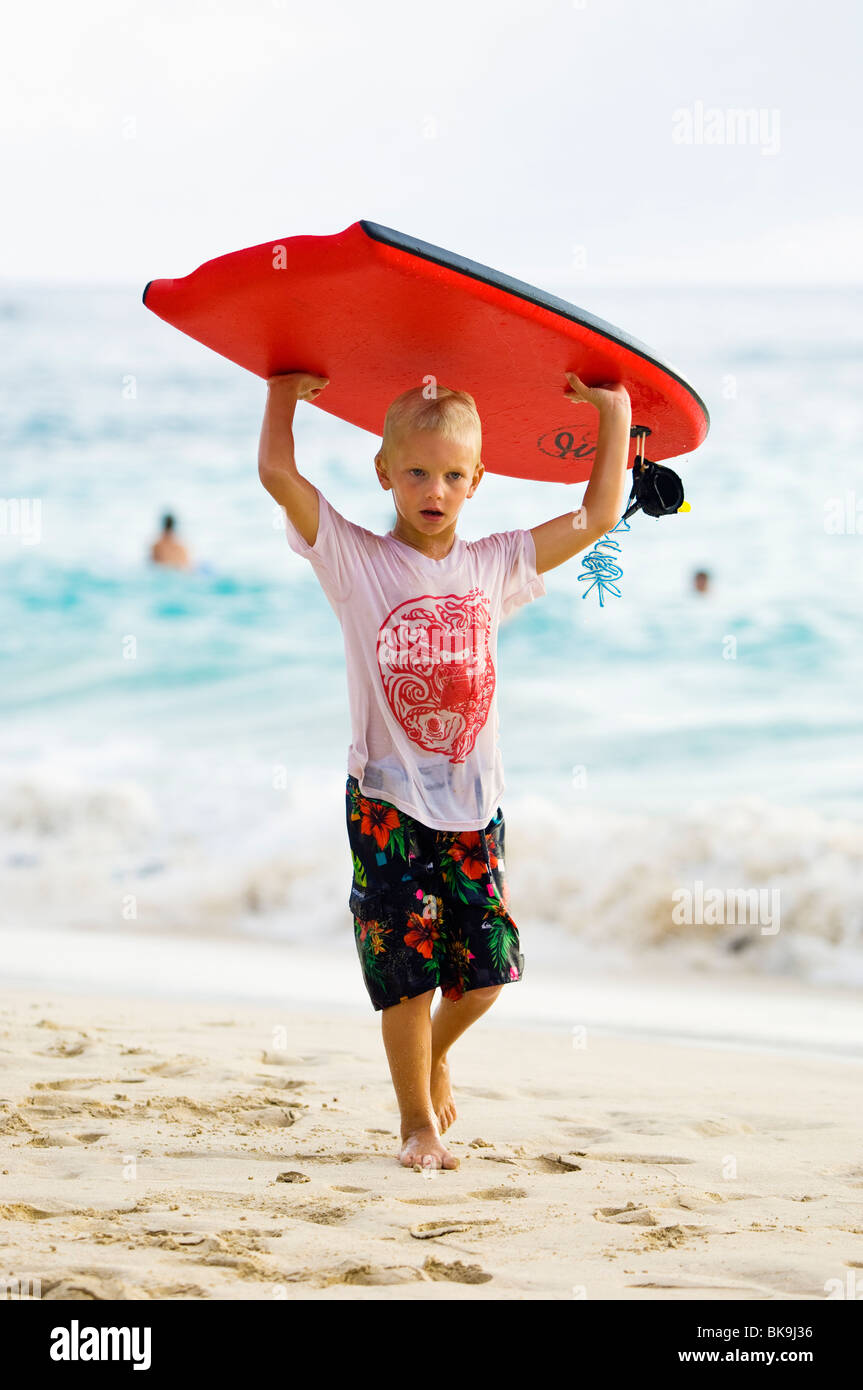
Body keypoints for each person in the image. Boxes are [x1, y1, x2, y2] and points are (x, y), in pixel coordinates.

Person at [258, 369, 631, 1170]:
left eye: (454, 475)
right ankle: (414, 1126)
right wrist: (284, 394)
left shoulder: (496, 564)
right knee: (407, 975)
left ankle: (431, 1052)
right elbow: (279, 476)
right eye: (418, 471)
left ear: (477, 481)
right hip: (387, 800)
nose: (435, 489)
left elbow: (600, 514)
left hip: (473, 803)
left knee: (489, 973)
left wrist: (612, 410)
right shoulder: (355, 560)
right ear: (383, 472)